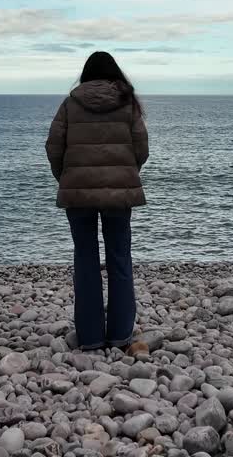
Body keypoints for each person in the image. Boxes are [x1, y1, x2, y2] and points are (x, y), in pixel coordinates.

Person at [45, 51, 149, 351]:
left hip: (78, 192)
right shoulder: (127, 103)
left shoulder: (70, 103)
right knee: (119, 258)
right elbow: (141, 148)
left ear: (86, 74)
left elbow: (54, 147)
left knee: (85, 258)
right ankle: (119, 334)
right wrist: (124, 174)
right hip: (119, 194)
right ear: (115, 73)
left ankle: (90, 337)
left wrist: (66, 177)